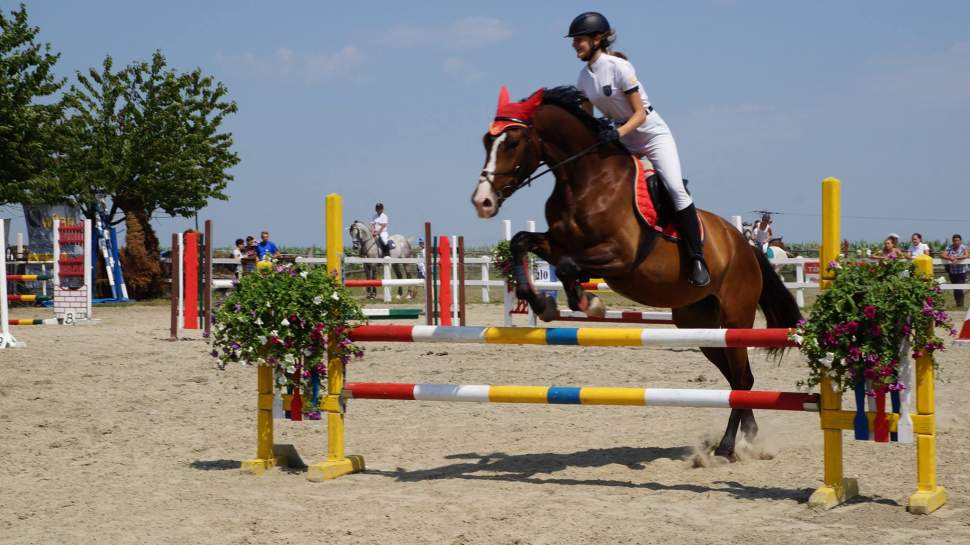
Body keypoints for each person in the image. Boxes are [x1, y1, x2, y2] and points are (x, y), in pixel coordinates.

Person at [567, 11, 709, 287]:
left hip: (650, 133)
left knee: (674, 188)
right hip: (620, 136)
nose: (575, 44)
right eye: (574, 40)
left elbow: (640, 114)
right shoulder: (583, 78)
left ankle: (697, 257)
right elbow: (587, 120)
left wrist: (615, 132)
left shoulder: (619, 68)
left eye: (579, 40)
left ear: (597, 39)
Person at [942, 233, 968, 308]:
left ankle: (960, 304)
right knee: (955, 288)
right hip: (952, 272)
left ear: (960, 241)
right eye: (954, 240)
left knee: (959, 288)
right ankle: (958, 304)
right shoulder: (949, 247)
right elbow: (943, 255)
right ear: (952, 241)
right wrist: (949, 258)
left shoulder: (963, 247)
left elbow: (967, 255)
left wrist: (957, 258)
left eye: (957, 240)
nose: (956, 242)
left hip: (961, 272)